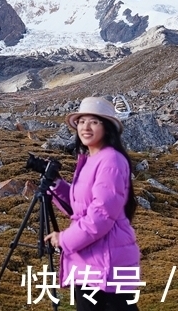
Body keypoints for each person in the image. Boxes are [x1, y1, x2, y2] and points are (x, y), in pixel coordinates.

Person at [44, 96, 141, 311]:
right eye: (81, 121)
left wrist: (65, 239)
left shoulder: (111, 160)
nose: (85, 127)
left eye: (94, 122)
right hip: (93, 257)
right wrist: (58, 186)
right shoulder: (92, 159)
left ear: (107, 127)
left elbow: (101, 215)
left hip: (107, 261)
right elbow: (83, 205)